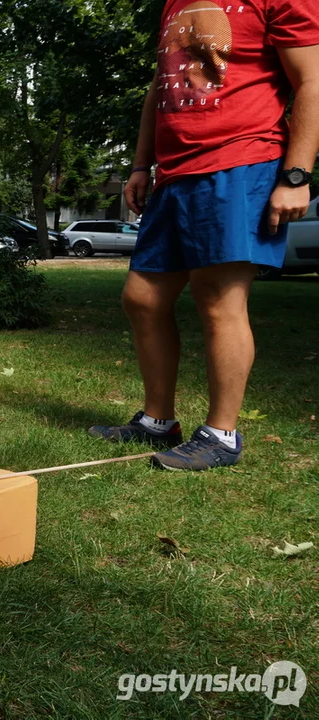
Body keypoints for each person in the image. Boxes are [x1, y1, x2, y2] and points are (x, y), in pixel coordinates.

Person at [89, 1, 319, 470]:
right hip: (175, 173)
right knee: (143, 299)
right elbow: (161, 88)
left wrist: (296, 174)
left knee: (218, 298)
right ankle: (157, 421)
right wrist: (140, 164)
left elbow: (312, 81)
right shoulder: (175, 3)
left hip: (240, 162)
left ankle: (221, 435)